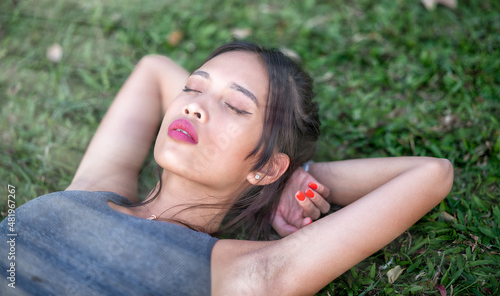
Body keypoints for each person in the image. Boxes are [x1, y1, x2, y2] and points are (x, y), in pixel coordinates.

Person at [0, 41, 453, 295]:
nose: (195, 106)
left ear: (266, 165)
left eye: (235, 106)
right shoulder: (93, 191)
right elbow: (155, 69)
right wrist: (274, 172)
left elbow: (431, 174)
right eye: (194, 87)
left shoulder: (247, 274)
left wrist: (292, 177)